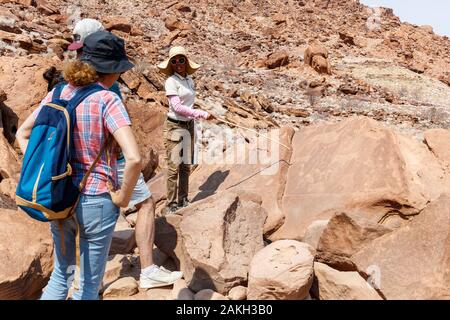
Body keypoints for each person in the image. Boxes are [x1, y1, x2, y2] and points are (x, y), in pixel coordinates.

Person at [45, 18, 183, 289]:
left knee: (60, 275)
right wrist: (121, 196)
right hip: (107, 164)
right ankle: (146, 270)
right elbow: (128, 151)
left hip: (64, 176)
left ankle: (81, 279)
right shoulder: (107, 86)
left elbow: (27, 132)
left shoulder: (64, 84)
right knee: (144, 204)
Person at [16, 31, 141, 300]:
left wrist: (47, 170)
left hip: (60, 196)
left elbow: (22, 134)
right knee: (87, 286)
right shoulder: (108, 99)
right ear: (111, 70)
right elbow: (134, 158)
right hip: (96, 198)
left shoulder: (58, 92)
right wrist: (122, 198)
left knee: (62, 275)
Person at [157, 46, 213, 215]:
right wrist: (201, 114)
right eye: (174, 61)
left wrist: (197, 114)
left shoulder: (189, 80)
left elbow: (188, 104)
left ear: (186, 61)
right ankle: (171, 202)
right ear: (171, 64)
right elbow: (177, 107)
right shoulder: (170, 81)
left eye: (181, 60)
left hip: (188, 126)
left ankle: (183, 198)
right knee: (174, 166)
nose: (178, 63)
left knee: (185, 165)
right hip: (175, 126)